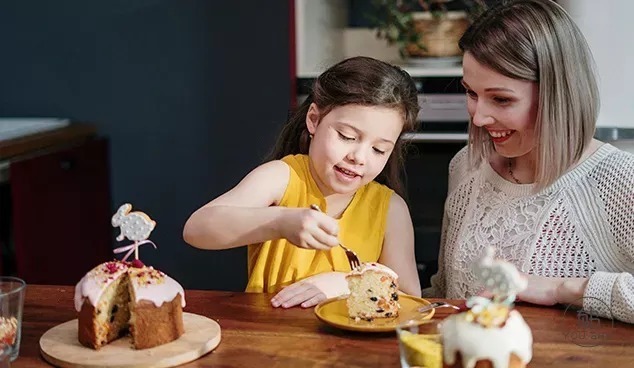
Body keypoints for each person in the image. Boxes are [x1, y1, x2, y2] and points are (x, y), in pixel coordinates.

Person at [424, 0, 634, 324]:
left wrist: (562, 289)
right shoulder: (466, 165)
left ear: (557, 93)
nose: (479, 117)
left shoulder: (619, 181)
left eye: (501, 99)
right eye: (471, 93)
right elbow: (445, 290)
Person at [184, 56, 422, 308]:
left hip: (352, 346)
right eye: (347, 136)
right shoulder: (282, 177)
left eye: (379, 149)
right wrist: (280, 222)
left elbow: (410, 296)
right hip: (273, 337)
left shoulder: (390, 208)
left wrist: (348, 282)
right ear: (314, 120)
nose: (359, 158)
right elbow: (196, 229)